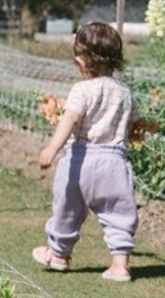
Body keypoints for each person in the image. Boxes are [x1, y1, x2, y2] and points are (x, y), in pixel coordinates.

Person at [32, 21, 138, 283]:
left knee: (67, 209)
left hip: (80, 160)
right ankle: (120, 264)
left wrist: (51, 148)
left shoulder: (81, 90)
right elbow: (132, 123)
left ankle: (58, 254)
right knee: (117, 212)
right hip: (113, 162)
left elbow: (69, 120)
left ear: (81, 61)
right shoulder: (124, 92)